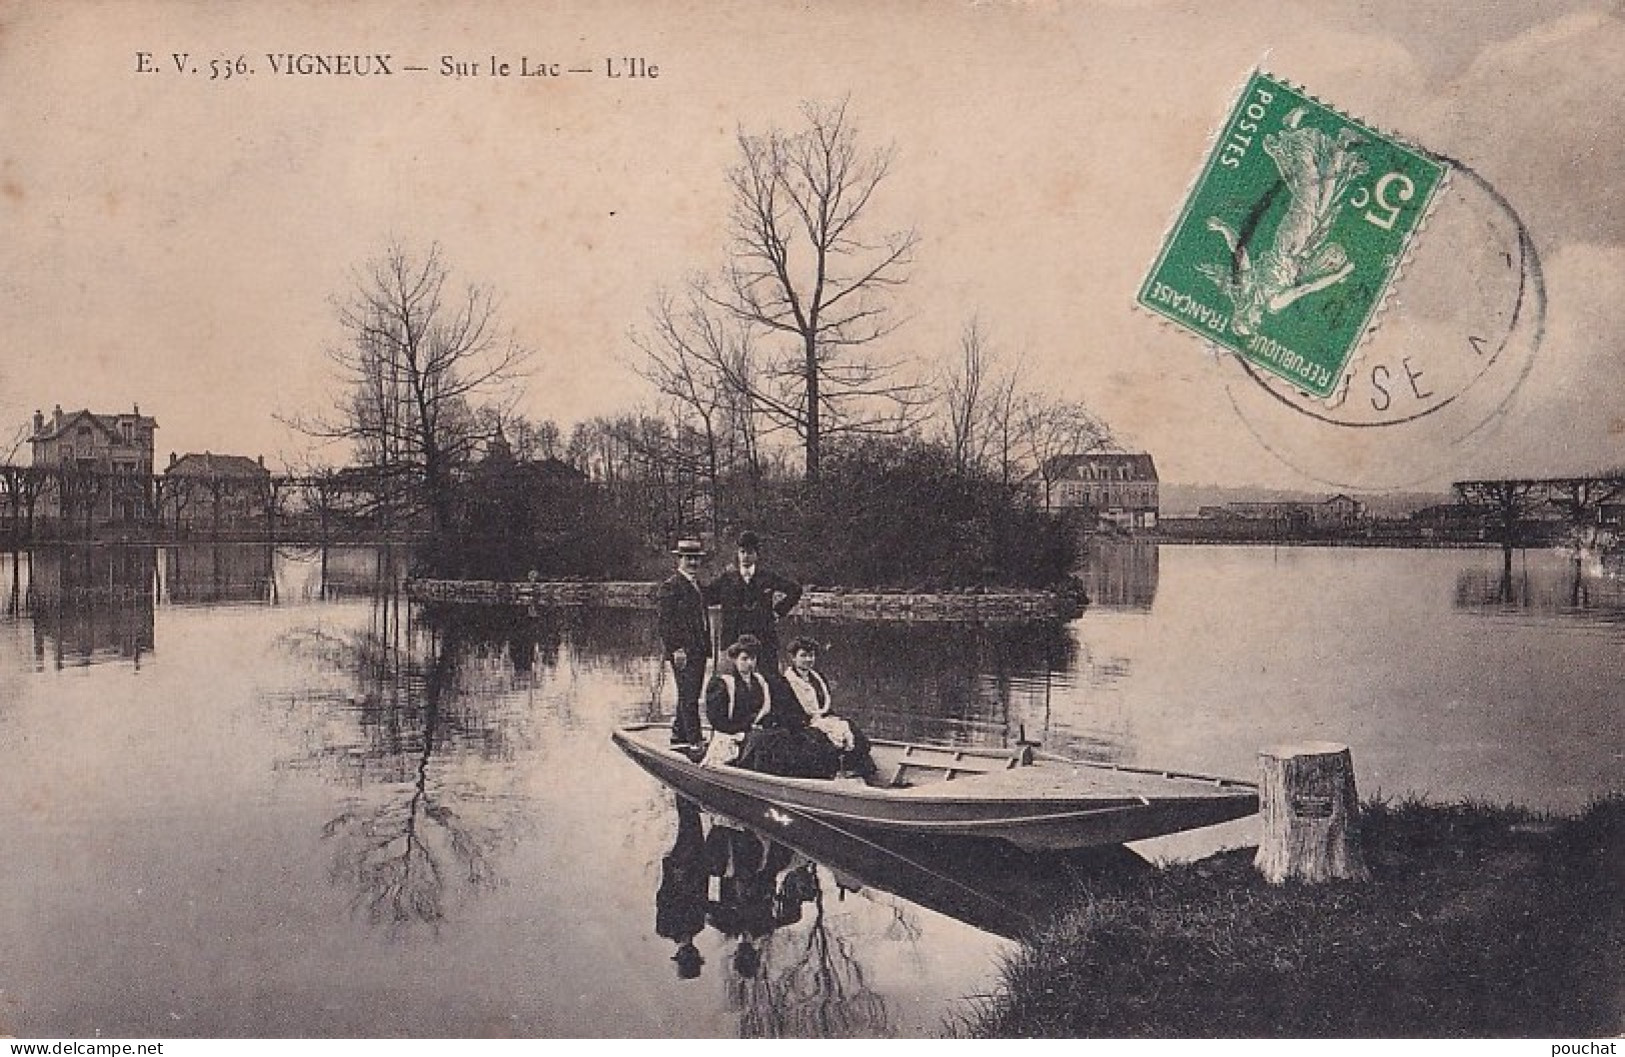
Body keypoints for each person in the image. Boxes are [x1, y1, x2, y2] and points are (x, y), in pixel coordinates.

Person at [777, 636, 879, 783]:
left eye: (811, 655)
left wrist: (831, 720)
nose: (808, 660)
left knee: (851, 728)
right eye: (803, 656)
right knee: (818, 740)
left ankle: (855, 769)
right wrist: (810, 722)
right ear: (793, 658)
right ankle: (829, 775)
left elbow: (825, 705)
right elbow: (786, 711)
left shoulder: (818, 678)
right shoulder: (785, 682)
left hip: (821, 719)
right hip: (800, 723)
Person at [708, 531, 802, 672]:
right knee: (732, 683)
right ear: (738, 554)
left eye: (750, 552)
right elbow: (706, 597)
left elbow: (795, 590)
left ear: (756, 555)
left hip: (764, 638)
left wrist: (778, 611)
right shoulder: (726, 579)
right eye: (742, 552)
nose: (745, 556)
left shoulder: (767, 577)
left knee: (769, 679)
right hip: (734, 639)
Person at [658, 538, 712, 747]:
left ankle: (678, 733)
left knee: (690, 692)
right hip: (683, 652)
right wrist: (676, 649)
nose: (693, 563)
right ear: (679, 560)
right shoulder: (671, 586)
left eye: (696, 559)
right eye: (688, 558)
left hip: (698, 649)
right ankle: (695, 741)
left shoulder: (697, 585)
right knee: (690, 696)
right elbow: (665, 623)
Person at [700, 634, 775, 768]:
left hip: (755, 733)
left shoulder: (759, 681)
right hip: (730, 734)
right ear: (735, 659)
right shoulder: (723, 683)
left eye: (753, 659)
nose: (750, 663)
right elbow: (717, 721)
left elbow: (765, 711)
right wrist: (744, 729)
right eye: (744, 659)